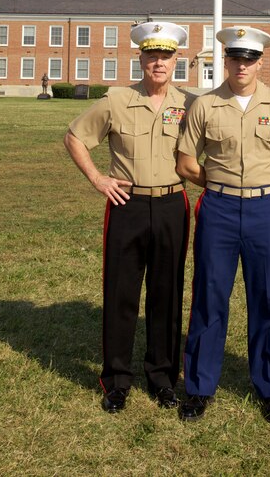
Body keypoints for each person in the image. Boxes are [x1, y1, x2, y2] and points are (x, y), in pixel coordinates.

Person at [176, 26, 270, 425]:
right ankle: (199, 386)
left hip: (265, 210)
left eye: (249, 59)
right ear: (225, 61)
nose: (241, 65)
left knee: (268, 298)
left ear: (260, 62)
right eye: (235, 58)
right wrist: (217, 185)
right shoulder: (205, 105)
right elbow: (185, 161)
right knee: (209, 296)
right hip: (218, 209)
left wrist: (265, 187)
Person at [63, 21, 191, 414]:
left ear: (175, 61)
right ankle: (116, 380)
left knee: (166, 293)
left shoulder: (190, 105)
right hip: (127, 205)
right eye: (152, 55)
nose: (159, 63)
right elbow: (74, 137)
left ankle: (163, 378)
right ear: (140, 58)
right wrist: (99, 179)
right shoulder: (115, 101)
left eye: (166, 56)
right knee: (121, 294)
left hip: (172, 204)